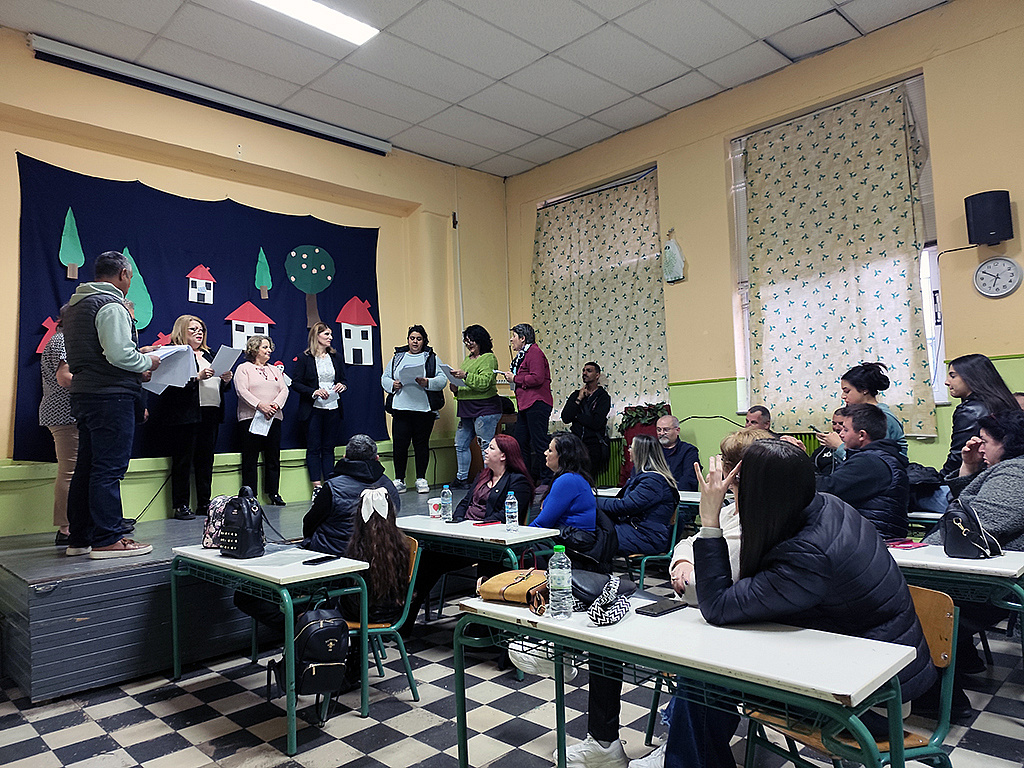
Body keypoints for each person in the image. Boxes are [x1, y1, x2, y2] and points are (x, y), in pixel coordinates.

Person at [645, 440, 935, 768]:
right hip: (863, 661)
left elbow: (717, 607)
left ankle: (685, 760)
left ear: (759, 495)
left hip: (868, 699)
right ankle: (685, 756)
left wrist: (710, 521)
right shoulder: (824, 504)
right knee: (712, 668)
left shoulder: (808, 554)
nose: (732, 492)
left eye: (738, 485)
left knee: (705, 676)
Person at [572, 430, 769, 768]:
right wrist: (683, 562)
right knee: (611, 623)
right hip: (704, 616)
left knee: (592, 540)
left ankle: (673, 748)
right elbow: (688, 544)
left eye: (722, 463)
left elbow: (699, 588)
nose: (716, 469)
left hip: (725, 630)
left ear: (734, 474)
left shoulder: (752, 520)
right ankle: (605, 742)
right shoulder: (731, 512)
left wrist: (586, 501)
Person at [919, 409, 1024, 714]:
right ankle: (963, 659)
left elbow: (969, 527)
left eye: (986, 441)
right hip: (990, 578)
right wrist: (969, 467)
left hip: (992, 586)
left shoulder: (1015, 474)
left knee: (906, 599)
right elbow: (965, 510)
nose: (979, 447)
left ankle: (940, 699)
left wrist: (921, 549)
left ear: (1008, 442)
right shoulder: (1009, 469)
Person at [63, 251, 160, 559]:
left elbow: (98, 351)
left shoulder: (75, 306)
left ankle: (80, 538)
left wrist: (135, 357)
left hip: (85, 394)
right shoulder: (110, 304)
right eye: (129, 277)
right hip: (111, 396)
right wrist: (147, 361)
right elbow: (118, 355)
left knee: (86, 468)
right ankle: (108, 539)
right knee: (108, 469)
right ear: (123, 274)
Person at [404, 435, 534, 630]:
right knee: (427, 557)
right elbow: (465, 503)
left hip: (491, 545)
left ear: (504, 456)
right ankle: (404, 621)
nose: (485, 451)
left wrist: (476, 525)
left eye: (491, 448)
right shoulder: (482, 476)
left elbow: (504, 516)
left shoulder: (518, 482)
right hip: (466, 539)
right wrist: (457, 521)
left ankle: (483, 628)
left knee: (489, 564)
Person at [158, 315, 233, 520]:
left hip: (211, 411)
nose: (199, 333)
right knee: (183, 460)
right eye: (193, 329)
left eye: (201, 330)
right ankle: (181, 504)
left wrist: (226, 380)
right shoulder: (176, 352)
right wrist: (197, 378)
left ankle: (204, 503)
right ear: (181, 331)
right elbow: (168, 384)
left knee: (206, 460)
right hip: (186, 413)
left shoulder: (209, 353)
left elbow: (219, 382)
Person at [815, 403, 909, 540]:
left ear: (861, 435)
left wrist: (795, 460)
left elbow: (827, 489)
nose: (841, 434)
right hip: (870, 535)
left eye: (845, 430)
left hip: (871, 539)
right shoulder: (881, 457)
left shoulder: (869, 462)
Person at [302, 434, 401, 557]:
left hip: (334, 554)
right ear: (377, 458)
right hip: (379, 555)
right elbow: (394, 515)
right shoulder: (388, 485)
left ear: (345, 457)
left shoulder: (332, 487)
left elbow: (309, 523)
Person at [530, 432, 614, 573]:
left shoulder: (567, 480)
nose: (545, 453)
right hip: (569, 540)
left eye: (550, 450)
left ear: (563, 456)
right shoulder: (571, 477)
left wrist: (520, 537)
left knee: (519, 552)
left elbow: (543, 522)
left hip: (573, 546)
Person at [381, 325, 447, 494]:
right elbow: (385, 377)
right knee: (400, 445)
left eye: (418, 339)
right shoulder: (398, 357)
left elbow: (442, 379)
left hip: (423, 409)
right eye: (412, 338)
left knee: (421, 445)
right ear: (408, 340)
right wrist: (392, 384)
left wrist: (428, 382)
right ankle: (399, 480)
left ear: (424, 341)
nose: (415, 342)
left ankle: (421, 479)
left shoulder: (431, 357)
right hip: (401, 408)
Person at [291, 322, 348, 496]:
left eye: (330, 334)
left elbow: (344, 380)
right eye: (326, 334)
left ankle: (329, 485)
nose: (330, 337)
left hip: (333, 406)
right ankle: (317, 487)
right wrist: (314, 391)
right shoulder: (304, 358)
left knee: (329, 448)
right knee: (314, 448)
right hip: (313, 408)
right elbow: (296, 383)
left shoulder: (336, 357)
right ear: (316, 336)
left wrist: (342, 386)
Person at [597, 434, 677, 556]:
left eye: (631, 447)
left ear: (640, 452)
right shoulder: (648, 477)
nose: (629, 450)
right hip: (637, 531)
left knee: (591, 536)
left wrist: (592, 501)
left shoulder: (653, 481)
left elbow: (624, 506)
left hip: (646, 537)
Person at [234, 334, 289, 506]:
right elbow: (242, 391)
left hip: (273, 417)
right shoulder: (243, 368)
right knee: (250, 458)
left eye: (269, 347)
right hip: (250, 418)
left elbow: (284, 390)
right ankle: (250, 495)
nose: (269, 350)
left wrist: (274, 406)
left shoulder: (274, 370)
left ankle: (274, 493)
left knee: (273, 457)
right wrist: (260, 405)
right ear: (254, 349)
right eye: (265, 347)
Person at [941, 353, 1017, 477]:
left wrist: (941, 478)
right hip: (1008, 472)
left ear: (971, 377)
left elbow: (959, 456)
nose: (946, 382)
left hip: (980, 478)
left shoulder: (970, 410)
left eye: (953, 376)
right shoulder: (1006, 400)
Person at [38, 306, 76, 546]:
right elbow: (65, 378)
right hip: (65, 413)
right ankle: (66, 528)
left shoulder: (60, 339)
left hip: (65, 413)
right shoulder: (63, 341)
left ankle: (72, 525)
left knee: (72, 470)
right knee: (69, 471)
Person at [816, 362, 907, 460]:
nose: (843, 396)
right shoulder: (860, 414)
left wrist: (839, 446)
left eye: (847, 391)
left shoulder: (882, 417)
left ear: (864, 389)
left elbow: (875, 460)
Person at [448, 325, 502, 490]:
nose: (469, 344)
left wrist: (465, 376)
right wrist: (455, 387)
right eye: (466, 341)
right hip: (467, 409)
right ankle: (462, 478)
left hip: (485, 408)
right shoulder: (468, 359)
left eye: (471, 341)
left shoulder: (489, 358)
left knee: (486, 445)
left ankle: (488, 479)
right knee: (460, 443)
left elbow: (484, 383)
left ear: (480, 340)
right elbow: (467, 383)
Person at [501, 323, 553, 484]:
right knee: (520, 441)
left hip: (536, 403)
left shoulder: (534, 353)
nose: (511, 340)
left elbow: (537, 378)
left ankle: (547, 479)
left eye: (514, 336)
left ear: (523, 338)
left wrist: (515, 378)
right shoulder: (523, 355)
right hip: (525, 405)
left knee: (539, 442)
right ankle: (525, 478)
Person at [561, 362, 611, 476]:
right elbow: (566, 417)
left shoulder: (603, 397)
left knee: (589, 479)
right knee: (573, 477)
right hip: (576, 445)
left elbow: (596, 423)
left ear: (597, 375)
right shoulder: (576, 395)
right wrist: (579, 399)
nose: (584, 373)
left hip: (593, 446)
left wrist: (577, 416)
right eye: (583, 370)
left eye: (589, 371)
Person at [653, 415, 699, 491]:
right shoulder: (651, 450)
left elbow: (689, 480)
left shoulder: (688, 451)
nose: (662, 433)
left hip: (679, 494)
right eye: (659, 430)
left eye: (666, 430)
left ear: (677, 430)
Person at [810, 408, 843, 476]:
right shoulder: (821, 451)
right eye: (834, 423)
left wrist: (839, 447)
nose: (836, 428)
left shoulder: (855, 449)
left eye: (841, 424)